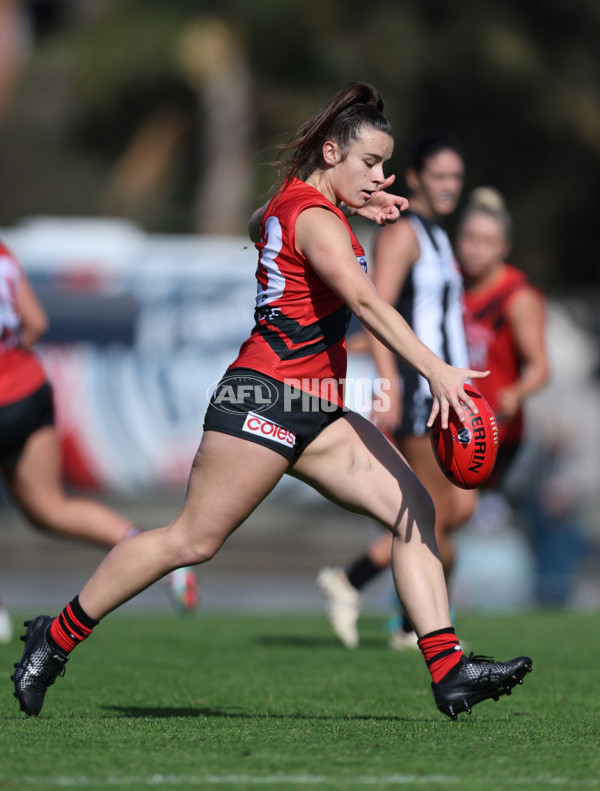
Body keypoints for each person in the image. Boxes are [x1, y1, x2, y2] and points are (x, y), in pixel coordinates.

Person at [11, 82, 532, 721]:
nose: (379, 177)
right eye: (369, 163)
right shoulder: (315, 218)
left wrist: (357, 208)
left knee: (413, 507)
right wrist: (438, 371)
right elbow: (368, 304)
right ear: (333, 153)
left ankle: (449, 671)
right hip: (263, 395)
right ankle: (54, 638)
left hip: (317, 404)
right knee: (190, 541)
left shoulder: (305, 207)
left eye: (385, 166)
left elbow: (263, 223)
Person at [317, 133, 476, 651]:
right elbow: (374, 307)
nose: (450, 186)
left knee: (454, 515)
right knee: (433, 513)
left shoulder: (438, 236)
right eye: (440, 176)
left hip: (448, 392)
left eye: (456, 176)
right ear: (415, 178)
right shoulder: (404, 233)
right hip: (418, 392)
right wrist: (388, 382)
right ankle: (396, 612)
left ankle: (385, 600)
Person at [0, 240, 199, 643]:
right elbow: (35, 324)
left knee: (46, 507)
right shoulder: (3, 251)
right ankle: (157, 554)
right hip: (29, 385)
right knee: (49, 507)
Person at [457, 186, 549, 489]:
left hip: (497, 434)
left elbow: (541, 368)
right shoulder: (451, 282)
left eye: (487, 242)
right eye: (470, 238)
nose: (476, 248)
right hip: (456, 423)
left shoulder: (516, 296)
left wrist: (516, 394)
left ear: (504, 247)